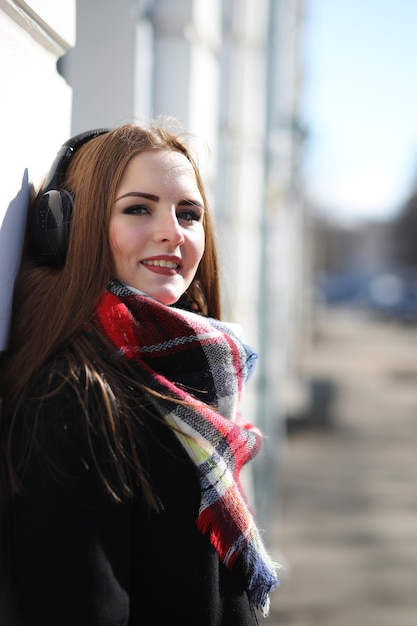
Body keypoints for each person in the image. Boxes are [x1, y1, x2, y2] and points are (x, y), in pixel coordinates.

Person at [0, 121, 282, 625]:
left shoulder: (193, 378)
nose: (173, 231)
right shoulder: (74, 397)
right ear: (67, 228)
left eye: (188, 213)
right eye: (137, 208)